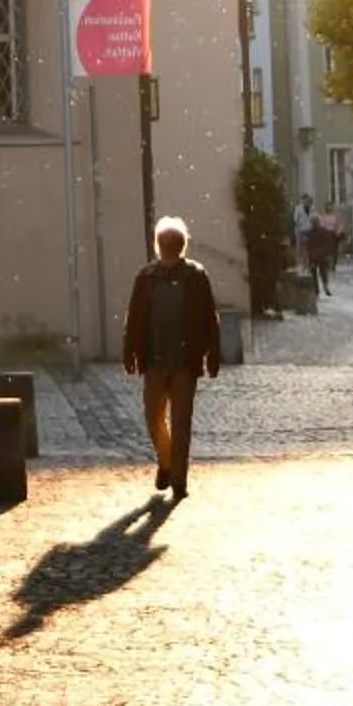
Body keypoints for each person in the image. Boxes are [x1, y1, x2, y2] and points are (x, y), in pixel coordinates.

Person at [120, 214, 222, 502]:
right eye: (165, 243)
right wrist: (130, 351)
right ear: (158, 246)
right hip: (153, 359)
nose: (168, 248)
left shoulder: (196, 276)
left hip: (185, 362)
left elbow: (209, 319)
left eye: (173, 243)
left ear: (181, 246)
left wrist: (213, 355)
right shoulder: (146, 277)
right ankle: (166, 462)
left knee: (181, 422)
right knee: (153, 417)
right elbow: (135, 317)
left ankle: (178, 478)